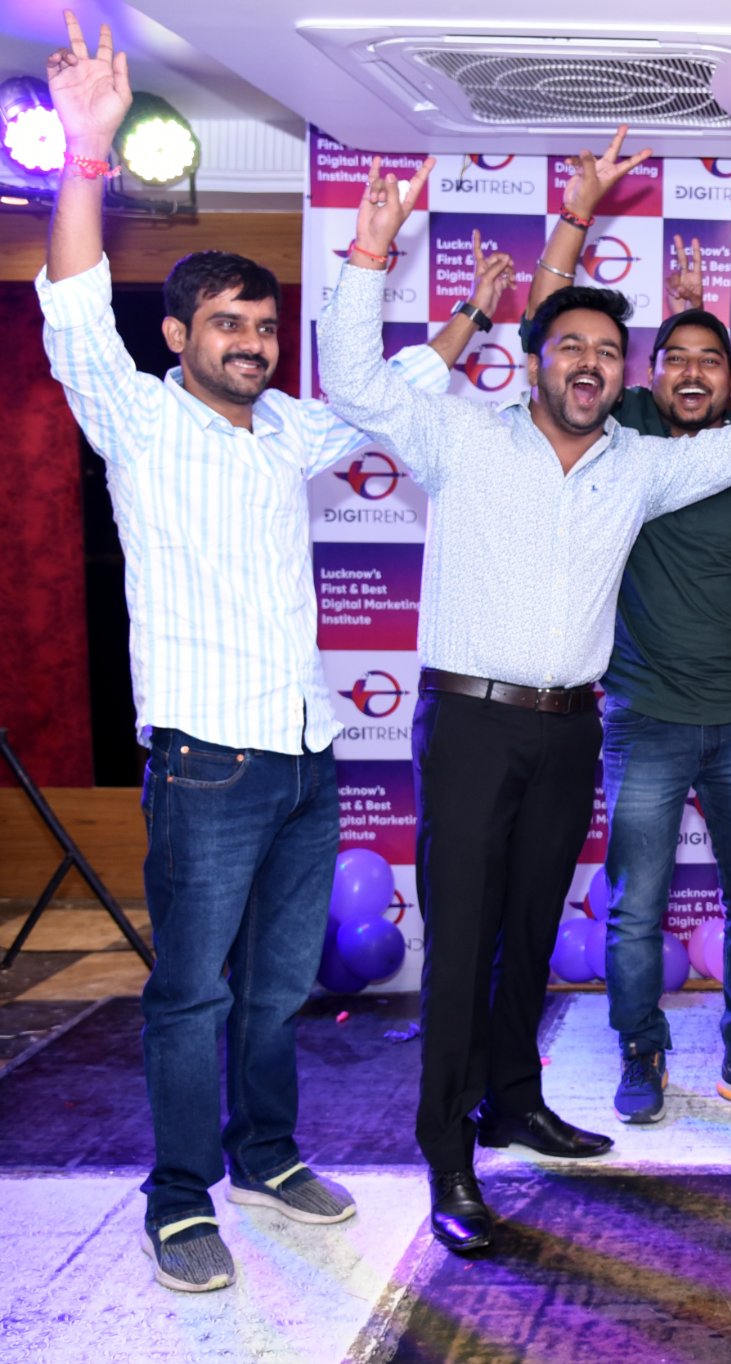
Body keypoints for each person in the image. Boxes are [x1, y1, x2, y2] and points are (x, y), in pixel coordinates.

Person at [318, 151, 731, 1255]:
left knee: (532, 933)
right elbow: (354, 382)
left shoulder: (636, 463)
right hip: (470, 721)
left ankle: (513, 1097)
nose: (590, 364)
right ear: (532, 355)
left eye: (606, 351)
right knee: (458, 942)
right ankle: (446, 1149)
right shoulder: (457, 435)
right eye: (570, 345)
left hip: (570, 726)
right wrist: (367, 254)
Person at [32, 13, 440, 1292]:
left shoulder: (282, 432)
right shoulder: (140, 426)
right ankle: (174, 1194)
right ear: (180, 337)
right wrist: (86, 157)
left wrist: (429, 295)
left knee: (273, 992)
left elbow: (379, 399)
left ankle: (266, 1153)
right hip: (209, 764)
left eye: (262, 325)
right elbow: (72, 308)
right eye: (226, 324)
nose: (251, 341)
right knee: (191, 999)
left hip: (310, 757)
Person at [512, 143, 731, 1124]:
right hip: (642, 716)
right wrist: (581, 224)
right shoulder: (626, 433)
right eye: (674, 360)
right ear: (648, 377)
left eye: (711, 363)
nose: (693, 373)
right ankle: (641, 1054)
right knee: (637, 909)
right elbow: (560, 341)